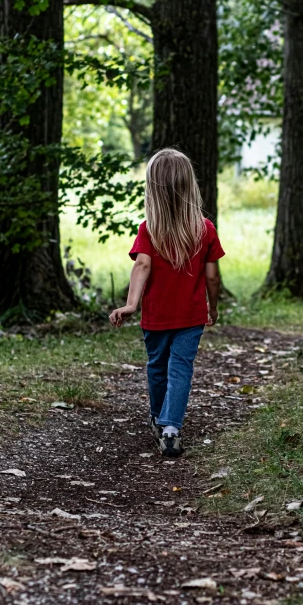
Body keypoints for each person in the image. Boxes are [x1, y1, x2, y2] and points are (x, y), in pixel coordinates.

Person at [109, 148, 225, 457]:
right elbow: (212, 277)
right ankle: (171, 427)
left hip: (156, 317)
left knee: (157, 367)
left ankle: (159, 420)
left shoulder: (149, 230)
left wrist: (131, 304)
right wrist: (213, 307)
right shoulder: (205, 230)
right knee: (181, 368)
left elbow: (142, 266)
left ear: (153, 191)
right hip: (191, 316)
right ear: (190, 187)